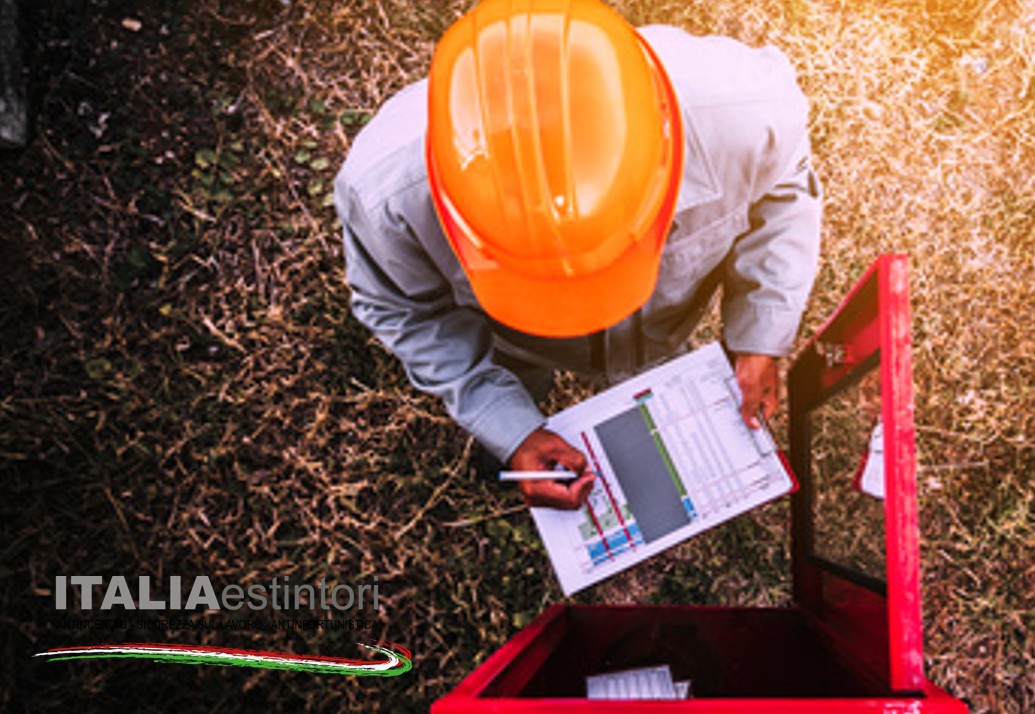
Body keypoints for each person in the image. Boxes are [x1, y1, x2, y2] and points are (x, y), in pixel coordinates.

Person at [334, 0, 821, 510]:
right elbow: (402, 310)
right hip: (515, 347)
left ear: (664, 152)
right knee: (519, 384)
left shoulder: (745, 108)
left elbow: (787, 187)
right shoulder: (384, 196)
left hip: (664, 333)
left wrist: (760, 335)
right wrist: (509, 426)